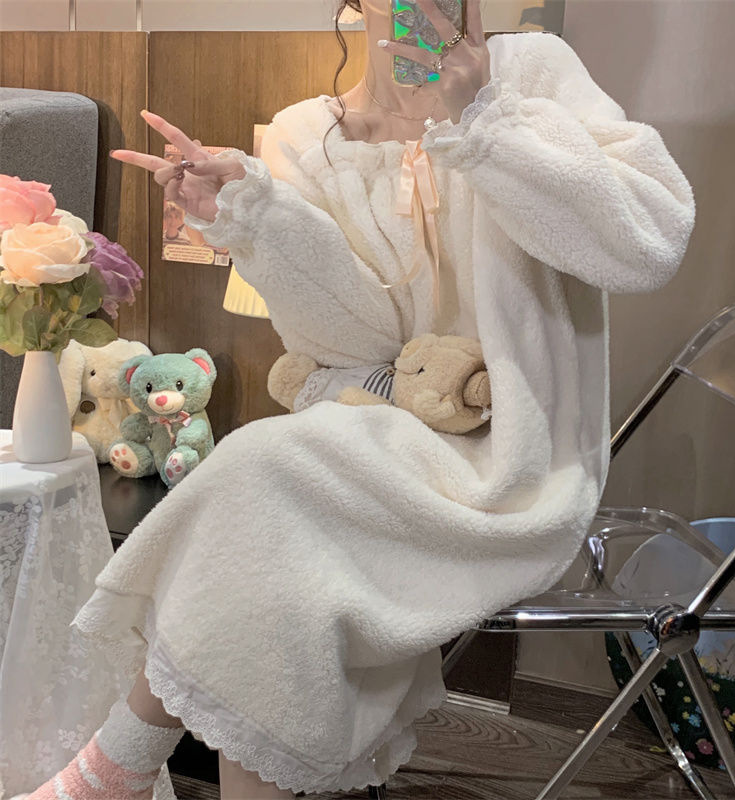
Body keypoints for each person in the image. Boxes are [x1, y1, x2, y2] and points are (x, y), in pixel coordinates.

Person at [20, 2, 696, 799]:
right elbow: (360, 342)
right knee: (271, 555)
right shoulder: (307, 133)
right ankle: (118, 769)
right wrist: (255, 220)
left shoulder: (532, 75)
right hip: (380, 433)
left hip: (519, 462)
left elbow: (649, 243)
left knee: (262, 477)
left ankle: (114, 766)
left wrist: (486, 119)